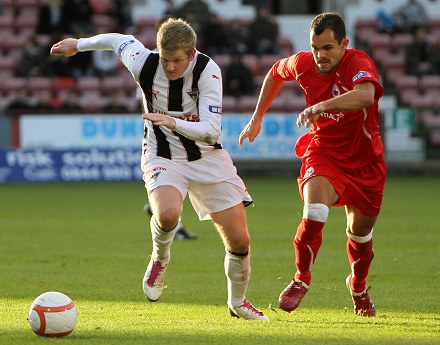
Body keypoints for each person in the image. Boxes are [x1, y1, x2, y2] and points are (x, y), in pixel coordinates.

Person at [50, 17, 268, 321]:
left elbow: (211, 130)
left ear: (191, 55)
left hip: (207, 157)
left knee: (240, 241)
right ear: (158, 50)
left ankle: (238, 302)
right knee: (167, 214)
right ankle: (159, 259)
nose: (170, 67)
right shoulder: (144, 63)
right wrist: (78, 45)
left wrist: (172, 121)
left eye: (177, 60)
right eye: (165, 59)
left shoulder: (208, 71)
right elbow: (117, 39)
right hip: (162, 155)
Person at [239, 12, 386, 317]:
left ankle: (357, 285)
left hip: (364, 163)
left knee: (360, 236)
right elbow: (275, 73)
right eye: (315, 47)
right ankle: (301, 278)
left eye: (328, 48)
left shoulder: (358, 63)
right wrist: (257, 118)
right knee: (315, 211)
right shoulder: (303, 62)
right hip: (324, 152)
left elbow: (365, 95)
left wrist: (321, 105)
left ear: (344, 44)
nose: (320, 56)